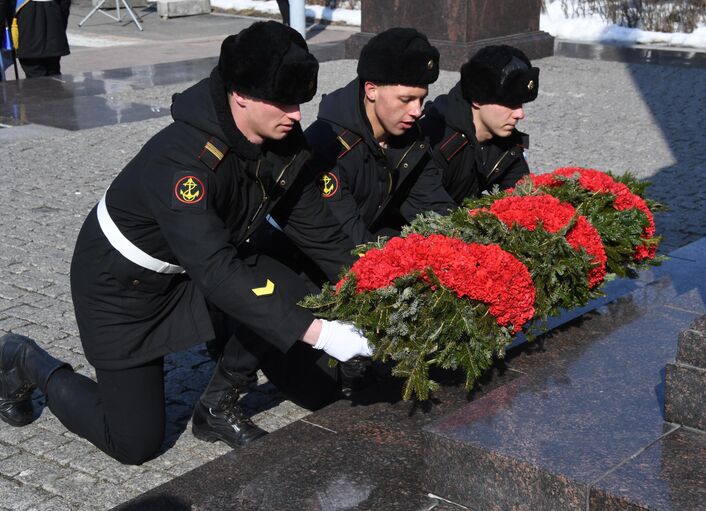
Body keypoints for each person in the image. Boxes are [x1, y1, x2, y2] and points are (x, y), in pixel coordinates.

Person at [0, 21, 372, 465]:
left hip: (200, 266)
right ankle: (25, 360)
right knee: (134, 443)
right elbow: (217, 270)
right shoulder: (183, 162)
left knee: (286, 283)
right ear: (241, 94)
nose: (295, 115)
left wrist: (375, 289)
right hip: (122, 287)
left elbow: (319, 230)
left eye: (299, 101)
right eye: (283, 101)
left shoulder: (283, 140)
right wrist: (322, 333)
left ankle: (216, 406)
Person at [304, 27, 456, 245]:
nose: (417, 111)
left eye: (421, 100)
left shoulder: (409, 137)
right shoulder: (328, 145)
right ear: (371, 90)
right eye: (406, 99)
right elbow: (345, 238)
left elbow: (433, 206)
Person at [418, 45, 539, 204]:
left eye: (521, 104)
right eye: (510, 103)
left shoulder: (505, 141)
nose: (520, 114)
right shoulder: (435, 142)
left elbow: (521, 197)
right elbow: (427, 212)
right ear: (478, 99)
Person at [0, 0, 70, 78]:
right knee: (53, 73)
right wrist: (60, 25)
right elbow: (65, 4)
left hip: (27, 22)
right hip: (53, 19)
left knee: (35, 77)